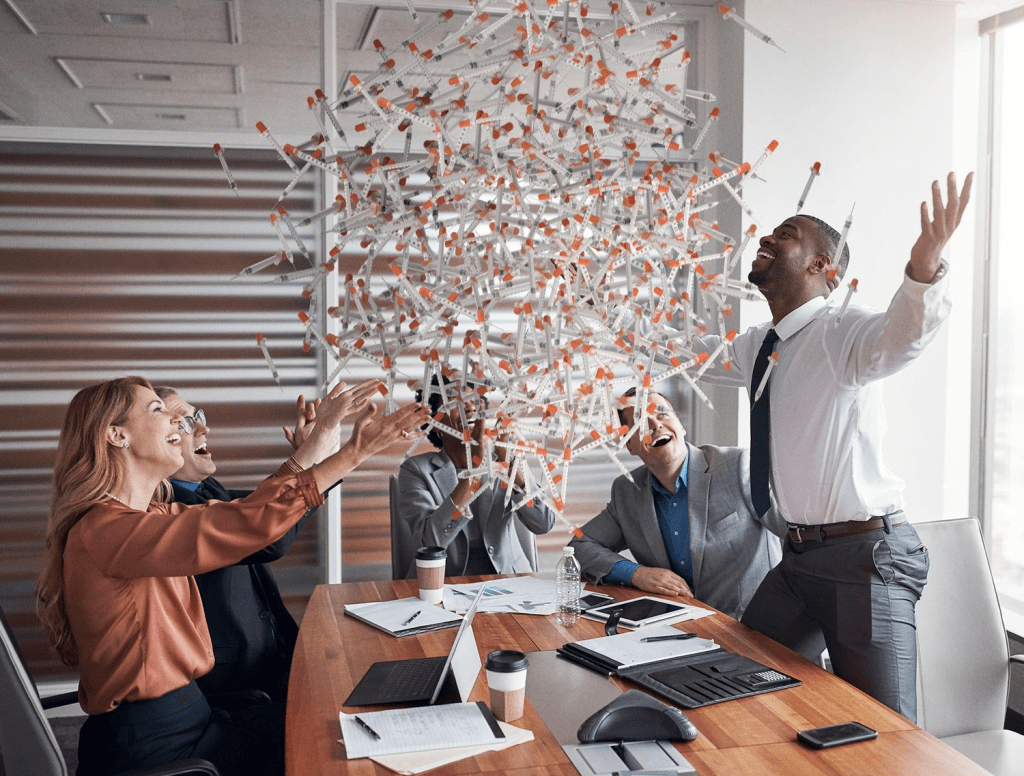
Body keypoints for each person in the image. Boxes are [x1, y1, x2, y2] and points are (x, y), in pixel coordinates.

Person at [35, 376, 427, 776]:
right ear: (116, 435)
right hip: (157, 743)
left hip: (194, 718)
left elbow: (246, 511)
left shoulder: (146, 518)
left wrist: (323, 446)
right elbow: (249, 522)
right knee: (340, 751)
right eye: (158, 412)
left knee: (344, 731)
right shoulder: (106, 530)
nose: (176, 425)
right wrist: (355, 451)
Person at [690, 172, 973, 722]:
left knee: (887, 733)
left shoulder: (843, 332)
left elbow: (903, 336)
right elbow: (686, 354)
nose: (766, 239)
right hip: (799, 559)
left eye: (787, 234)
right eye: (768, 233)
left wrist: (923, 268)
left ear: (824, 267)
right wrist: (591, 302)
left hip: (865, 558)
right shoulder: (758, 347)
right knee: (741, 688)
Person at [154, 383, 379, 704]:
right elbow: (268, 535)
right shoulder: (166, 507)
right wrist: (335, 452)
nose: (204, 428)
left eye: (198, 416)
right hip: (234, 684)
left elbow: (271, 508)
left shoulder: (202, 486)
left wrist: (317, 456)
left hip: (269, 657)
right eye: (185, 421)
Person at [568, 388, 783, 619]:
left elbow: (797, 534)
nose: (655, 425)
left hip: (756, 629)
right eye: (640, 423)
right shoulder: (627, 491)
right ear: (630, 446)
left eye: (662, 414)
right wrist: (636, 574)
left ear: (680, 426)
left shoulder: (738, 466)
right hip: (677, 628)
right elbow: (578, 547)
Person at [397, 374, 556, 577]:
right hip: (444, 584)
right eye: (456, 402)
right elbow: (431, 541)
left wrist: (511, 469)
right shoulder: (416, 470)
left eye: (475, 401)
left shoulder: (503, 457)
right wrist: (469, 477)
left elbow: (544, 523)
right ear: (434, 420)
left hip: (508, 580)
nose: (470, 408)